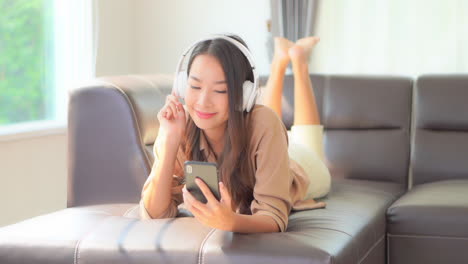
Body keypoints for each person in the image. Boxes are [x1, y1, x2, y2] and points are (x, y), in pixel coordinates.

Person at [139, 34, 331, 233]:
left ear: (245, 95)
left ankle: (299, 62)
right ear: (181, 85)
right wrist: (171, 139)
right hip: (268, 142)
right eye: (195, 86)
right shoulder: (179, 123)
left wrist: (231, 222)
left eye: (220, 90)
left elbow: (273, 216)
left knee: (279, 127)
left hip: (303, 165)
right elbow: (155, 213)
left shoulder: (265, 123)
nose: (203, 102)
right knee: (265, 121)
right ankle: (280, 61)